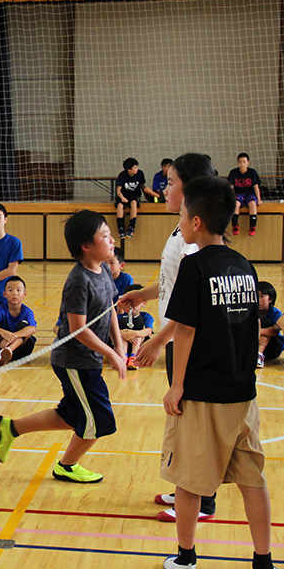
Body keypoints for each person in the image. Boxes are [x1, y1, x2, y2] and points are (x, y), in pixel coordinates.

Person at [159, 175, 281, 569]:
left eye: (180, 214)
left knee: (190, 478)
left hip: (203, 391)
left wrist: (176, 386)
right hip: (242, 392)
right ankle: (264, 566)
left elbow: (186, 331)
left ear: (194, 222)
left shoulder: (193, 266)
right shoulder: (243, 265)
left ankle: (187, 558)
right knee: (252, 479)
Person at [118, 153, 219, 522]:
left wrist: (158, 340)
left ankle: (202, 502)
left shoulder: (194, 239)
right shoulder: (180, 229)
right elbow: (172, 285)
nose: (164, 188)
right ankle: (187, 488)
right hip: (177, 338)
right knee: (182, 417)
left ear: (190, 189)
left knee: (193, 420)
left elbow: (194, 305)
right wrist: (143, 295)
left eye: (172, 182)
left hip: (188, 341)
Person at [0, 210, 125, 482]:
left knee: (72, 414)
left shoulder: (102, 272)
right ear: (86, 246)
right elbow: (78, 328)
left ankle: (10, 428)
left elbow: (110, 310)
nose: (112, 240)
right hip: (74, 361)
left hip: (88, 360)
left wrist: (120, 347)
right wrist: (110, 352)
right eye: (105, 236)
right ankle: (66, 466)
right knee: (99, 421)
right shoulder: (79, 280)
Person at [0, 275, 37, 367]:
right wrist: (3, 332)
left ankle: (8, 351)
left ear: (24, 294)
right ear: (4, 294)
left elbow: (33, 329)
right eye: (10, 290)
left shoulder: (27, 312)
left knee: (24, 326)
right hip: (1, 345)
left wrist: (13, 336)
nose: (15, 293)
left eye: (18, 290)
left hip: (22, 349)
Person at [117, 283, 153, 369]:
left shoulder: (146, 316)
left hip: (139, 346)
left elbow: (149, 331)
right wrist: (124, 333)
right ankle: (123, 357)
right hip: (121, 345)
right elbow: (110, 330)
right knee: (120, 332)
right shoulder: (119, 317)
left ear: (143, 303)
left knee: (140, 331)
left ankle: (134, 357)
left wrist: (134, 333)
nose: (131, 305)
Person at [228, 153, 262, 236]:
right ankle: (235, 226)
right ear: (238, 163)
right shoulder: (233, 172)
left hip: (250, 194)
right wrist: (229, 198)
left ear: (248, 163)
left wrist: (259, 199)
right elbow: (231, 187)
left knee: (253, 204)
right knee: (236, 204)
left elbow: (256, 187)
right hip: (239, 193)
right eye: (240, 162)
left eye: (244, 162)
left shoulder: (252, 172)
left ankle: (252, 227)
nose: (242, 164)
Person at [115, 158, 146, 238]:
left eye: (137, 167)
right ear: (129, 169)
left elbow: (142, 186)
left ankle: (131, 227)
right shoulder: (122, 175)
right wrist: (122, 198)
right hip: (123, 195)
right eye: (134, 168)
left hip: (134, 195)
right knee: (120, 206)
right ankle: (120, 228)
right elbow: (118, 190)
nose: (137, 169)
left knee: (134, 203)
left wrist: (146, 196)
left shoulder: (140, 174)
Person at [256, 281, 284, 368]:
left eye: (262, 297)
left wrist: (258, 332)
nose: (258, 300)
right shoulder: (249, 312)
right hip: (254, 343)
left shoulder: (275, 313)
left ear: (270, 299)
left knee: (265, 322)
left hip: (273, 348)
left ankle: (259, 354)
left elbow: (275, 330)